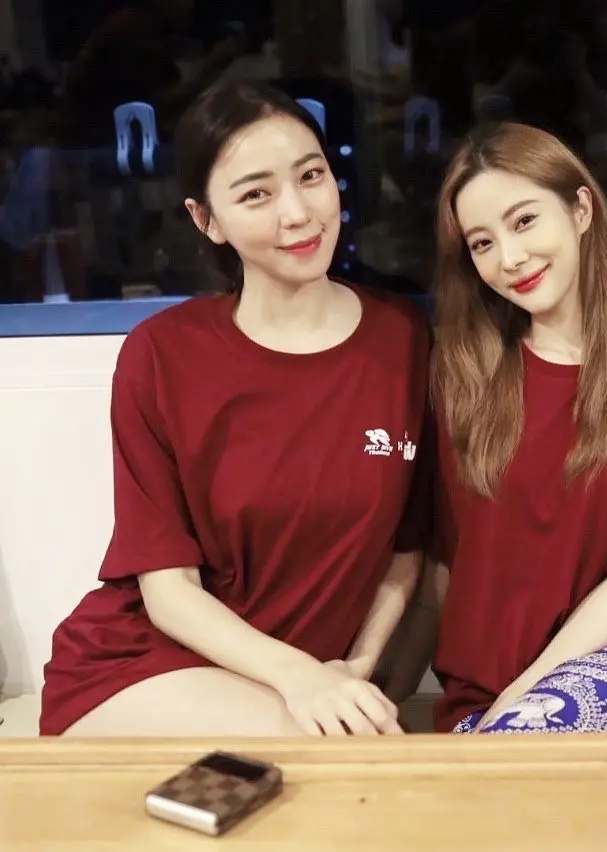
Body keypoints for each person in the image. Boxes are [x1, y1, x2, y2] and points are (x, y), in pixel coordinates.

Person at [39, 79, 431, 737]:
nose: (298, 213)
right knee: (349, 756)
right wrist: (301, 678)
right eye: (256, 194)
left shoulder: (404, 339)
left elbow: (407, 547)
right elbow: (168, 591)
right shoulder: (162, 354)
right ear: (207, 220)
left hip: (307, 681)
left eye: (311, 176)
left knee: (360, 751)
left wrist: (356, 668)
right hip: (150, 667)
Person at [426, 121, 607, 734]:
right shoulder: (462, 376)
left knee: (525, 748)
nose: (509, 258)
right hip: (485, 695)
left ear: (580, 209)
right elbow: (446, 563)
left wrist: (524, 697)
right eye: (482, 243)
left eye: (524, 221)